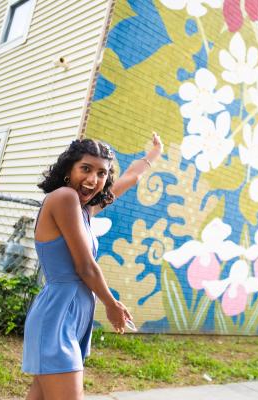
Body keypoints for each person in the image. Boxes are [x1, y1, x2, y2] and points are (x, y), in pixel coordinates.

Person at [22, 133, 163, 400]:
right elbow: (85, 266)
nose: (92, 179)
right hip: (58, 314)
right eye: (85, 169)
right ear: (68, 169)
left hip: (72, 314)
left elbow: (130, 178)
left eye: (101, 173)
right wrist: (112, 304)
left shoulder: (85, 211)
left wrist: (155, 153)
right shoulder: (63, 198)